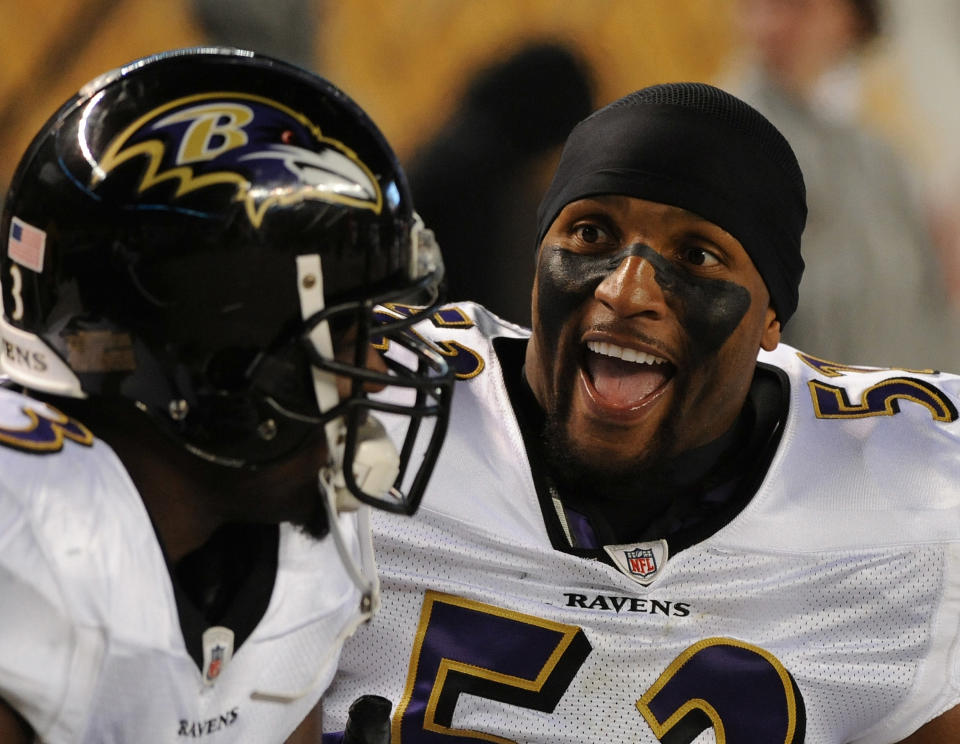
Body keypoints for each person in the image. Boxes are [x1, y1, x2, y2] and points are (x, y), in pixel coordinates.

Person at [321, 83, 960, 742]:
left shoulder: (908, 482)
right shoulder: (368, 401)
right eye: (592, 232)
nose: (625, 291)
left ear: (773, 316)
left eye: (698, 256)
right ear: (539, 259)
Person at [0, 47, 454, 743]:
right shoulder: (26, 531)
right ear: (219, 349)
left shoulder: (308, 548)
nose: (382, 372)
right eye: (346, 331)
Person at [725, 0, 960, 371]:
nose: (769, 24)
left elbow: (929, 288)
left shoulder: (883, 144)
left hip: (902, 391)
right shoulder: (729, 133)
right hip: (804, 402)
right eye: (756, 6)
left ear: (850, 18)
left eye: (795, 8)